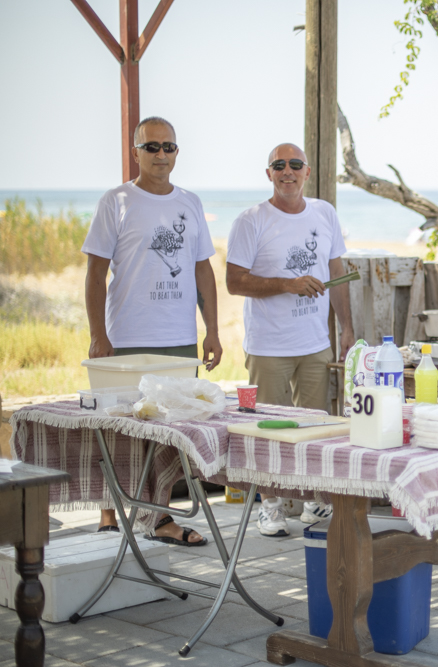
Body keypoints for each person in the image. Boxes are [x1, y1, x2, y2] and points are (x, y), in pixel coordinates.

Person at [83, 116, 222, 546]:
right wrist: (98, 334)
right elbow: (94, 273)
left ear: (177, 153)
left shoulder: (191, 202)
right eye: (152, 147)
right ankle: (109, 510)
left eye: (169, 147)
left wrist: (212, 329)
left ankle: (160, 519)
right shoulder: (117, 200)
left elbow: (203, 270)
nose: (161, 155)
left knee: (171, 433)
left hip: (178, 339)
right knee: (119, 427)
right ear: (136, 151)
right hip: (127, 335)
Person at [226, 143, 355, 537]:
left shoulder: (324, 213)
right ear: (269, 174)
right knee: (269, 429)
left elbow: (336, 268)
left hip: (315, 342)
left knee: (317, 427)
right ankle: (271, 507)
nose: (287, 172)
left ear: (307, 172)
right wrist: (288, 284)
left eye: (294, 165)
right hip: (269, 346)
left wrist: (346, 327)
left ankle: (315, 502)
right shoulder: (251, 220)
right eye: (278, 166)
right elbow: (234, 282)